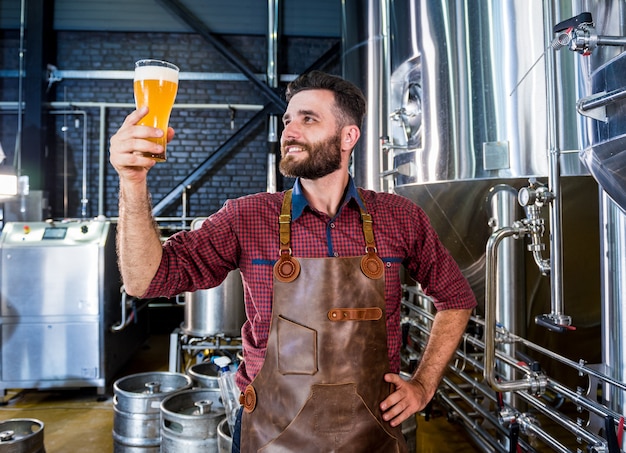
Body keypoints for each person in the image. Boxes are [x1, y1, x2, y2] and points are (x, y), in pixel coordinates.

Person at [110, 70, 476, 452]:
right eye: (288, 120)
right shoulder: (247, 217)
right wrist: (133, 183)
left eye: (308, 119)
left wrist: (423, 384)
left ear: (348, 137)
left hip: (373, 437)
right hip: (270, 435)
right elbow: (147, 281)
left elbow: (456, 298)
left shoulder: (400, 217)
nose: (290, 131)